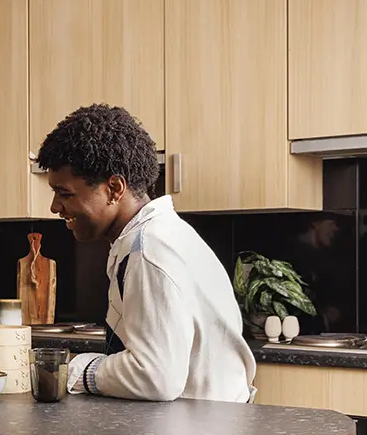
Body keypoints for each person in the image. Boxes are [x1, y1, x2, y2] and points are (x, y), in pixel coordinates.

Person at [32, 103, 256, 403]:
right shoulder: (153, 237)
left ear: (114, 188)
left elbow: (155, 376)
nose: (55, 207)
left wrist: (77, 369)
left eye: (65, 193)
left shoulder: (148, 250)